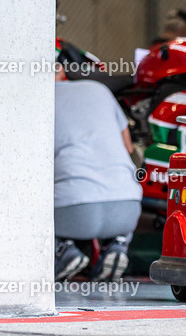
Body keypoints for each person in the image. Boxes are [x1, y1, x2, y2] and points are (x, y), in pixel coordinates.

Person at [54, 66, 141, 281]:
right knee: (118, 176)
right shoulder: (99, 89)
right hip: (128, 207)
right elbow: (128, 147)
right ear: (62, 70)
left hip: (72, 212)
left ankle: (63, 250)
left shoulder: (32, 99)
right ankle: (117, 245)